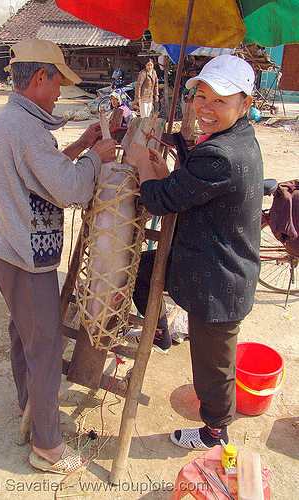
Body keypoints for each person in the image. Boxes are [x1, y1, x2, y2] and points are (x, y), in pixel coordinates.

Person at [0, 38, 116, 473]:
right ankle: (48, 448)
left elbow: (44, 173)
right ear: (40, 77)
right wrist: (96, 161)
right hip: (26, 259)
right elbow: (71, 188)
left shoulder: (14, 123)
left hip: (9, 251)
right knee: (45, 347)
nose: (61, 91)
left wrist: (79, 146)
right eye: (59, 81)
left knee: (26, 337)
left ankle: (30, 408)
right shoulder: (25, 129)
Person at [126, 55, 263, 450]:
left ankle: (215, 433)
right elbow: (190, 185)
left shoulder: (222, 154)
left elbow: (160, 199)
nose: (205, 106)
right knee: (143, 270)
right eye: (200, 95)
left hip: (218, 278)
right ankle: (161, 332)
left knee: (213, 365)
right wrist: (166, 168)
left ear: (245, 105)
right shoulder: (233, 139)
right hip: (199, 259)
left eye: (220, 100)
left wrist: (141, 162)